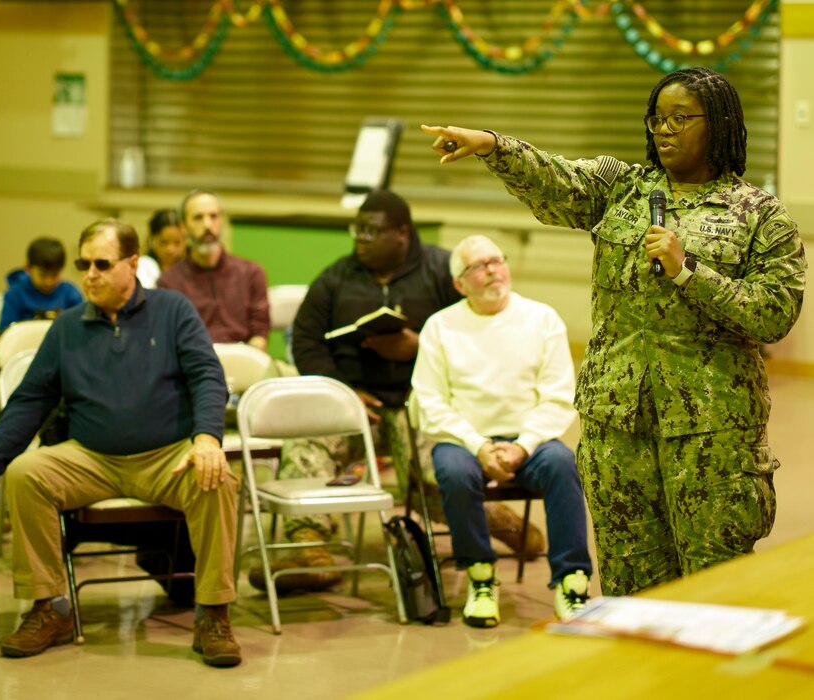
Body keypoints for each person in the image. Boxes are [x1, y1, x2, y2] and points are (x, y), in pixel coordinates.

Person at [421, 66, 806, 596]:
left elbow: (772, 314)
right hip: (616, 422)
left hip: (712, 433)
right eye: (657, 119)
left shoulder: (760, 216)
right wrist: (492, 146)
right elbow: (555, 177)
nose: (664, 131)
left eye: (680, 119)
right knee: (630, 582)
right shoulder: (622, 190)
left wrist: (687, 269)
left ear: (718, 124)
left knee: (715, 584)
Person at [0, 219, 243, 668]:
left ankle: (212, 614)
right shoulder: (68, 328)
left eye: (102, 264)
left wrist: (207, 438)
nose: (90, 274)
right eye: (83, 264)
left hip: (166, 456)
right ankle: (50, 608)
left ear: (132, 265)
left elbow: (207, 376)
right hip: (92, 457)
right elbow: (30, 401)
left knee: (218, 476)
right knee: (26, 473)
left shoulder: (174, 311)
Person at [247, 189, 464, 595]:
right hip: (351, 410)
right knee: (305, 447)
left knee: (441, 471)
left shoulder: (441, 272)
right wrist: (344, 393)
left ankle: (497, 524)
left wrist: (418, 346)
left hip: (420, 407)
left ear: (402, 233)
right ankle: (311, 554)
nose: (360, 238)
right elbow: (306, 342)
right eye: (357, 229)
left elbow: (474, 336)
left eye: (371, 231)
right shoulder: (336, 278)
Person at [412, 235, 593, 627]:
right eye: (478, 266)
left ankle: (572, 582)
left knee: (564, 465)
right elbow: (429, 401)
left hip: (528, 440)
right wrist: (478, 446)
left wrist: (523, 446)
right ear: (460, 284)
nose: (493, 270)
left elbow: (559, 397)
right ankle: (481, 577)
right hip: (464, 440)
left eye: (496, 260)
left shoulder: (541, 319)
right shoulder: (440, 327)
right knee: (454, 473)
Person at [158, 190, 269, 350]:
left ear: (222, 220)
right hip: (195, 365)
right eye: (198, 218)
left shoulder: (251, 273)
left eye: (213, 216)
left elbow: (260, 334)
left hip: (245, 361)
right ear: (183, 226)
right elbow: (170, 340)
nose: (207, 225)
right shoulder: (168, 282)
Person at [0, 236, 83, 332]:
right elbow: (5, 335)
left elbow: (79, 331)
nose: (49, 281)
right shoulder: (14, 295)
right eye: (43, 275)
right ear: (28, 268)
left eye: (55, 275)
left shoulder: (71, 294)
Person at [137, 208, 188, 289]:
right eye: (164, 242)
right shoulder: (144, 266)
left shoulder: (191, 269)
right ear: (152, 240)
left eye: (177, 242)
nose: (170, 250)